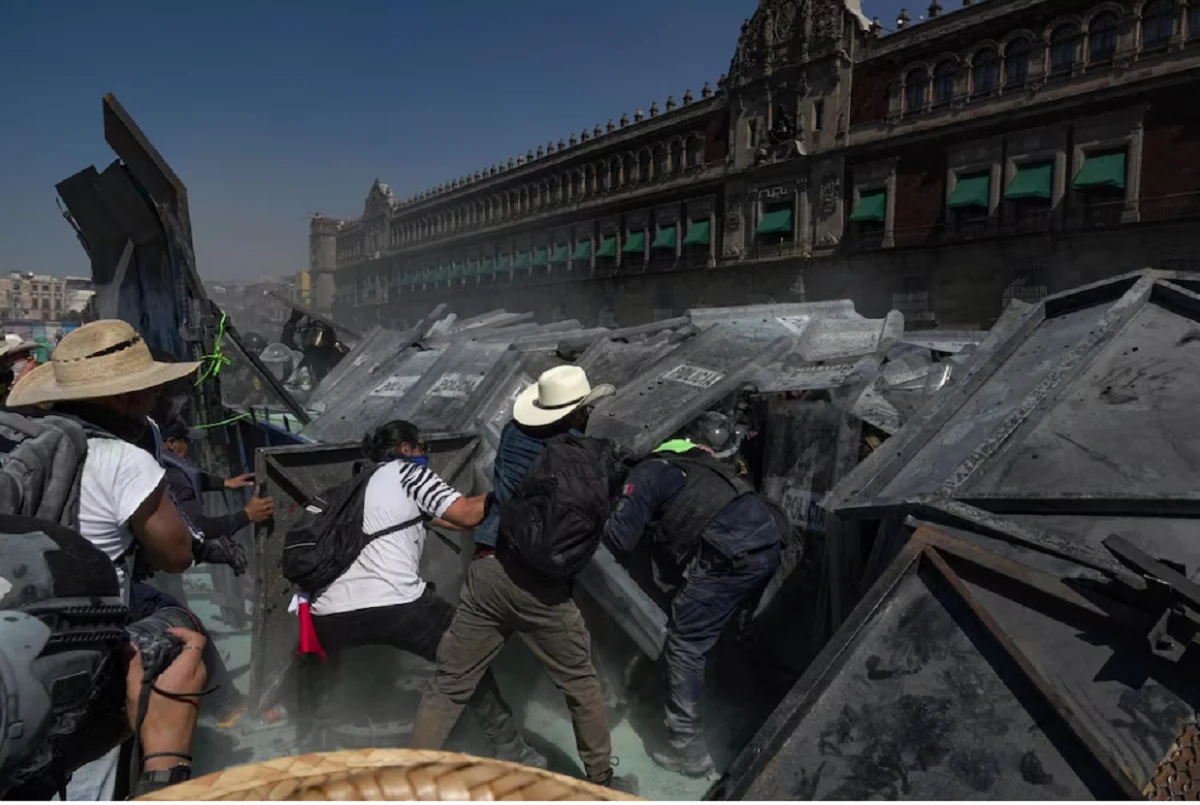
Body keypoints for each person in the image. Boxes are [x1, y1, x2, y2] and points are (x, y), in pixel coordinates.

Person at [410, 366, 635, 793]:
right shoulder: (583, 455)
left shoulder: (514, 435)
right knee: (581, 685)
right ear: (580, 411)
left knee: (449, 684)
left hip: (487, 571)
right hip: (539, 589)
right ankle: (604, 780)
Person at [7, 319, 198, 799]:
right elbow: (176, 554)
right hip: (82, 642)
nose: (154, 400)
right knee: (183, 638)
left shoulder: (20, 444)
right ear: (124, 398)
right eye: (148, 391)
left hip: (14, 632)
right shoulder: (124, 460)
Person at [306, 420, 544, 768]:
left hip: (327, 614)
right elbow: (464, 514)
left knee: (334, 668)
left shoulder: (351, 488)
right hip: (393, 605)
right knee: (467, 655)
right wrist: (517, 494)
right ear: (406, 448)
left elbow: (450, 520)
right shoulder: (408, 474)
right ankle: (511, 748)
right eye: (423, 449)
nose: (425, 457)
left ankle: (315, 737)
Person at [601, 411, 782, 777]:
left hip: (731, 554)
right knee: (731, 634)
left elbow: (618, 539)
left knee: (685, 644)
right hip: (768, 541)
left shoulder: (647, 473)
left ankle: (688, 753)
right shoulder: (700, 463)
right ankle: (744, 712)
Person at [0, 327, 41, 404]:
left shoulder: (7, 374)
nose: (27, 360)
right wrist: (19, 384)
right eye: (22, 356)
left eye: (28, 355)